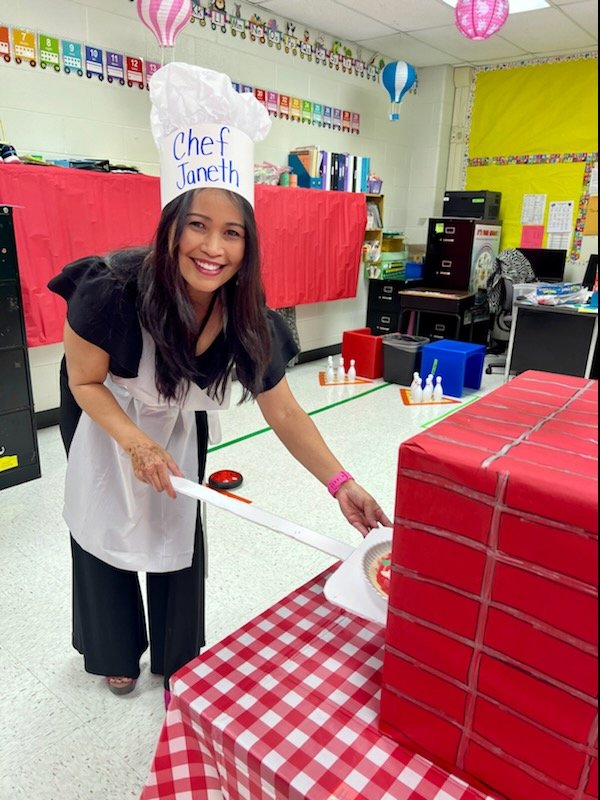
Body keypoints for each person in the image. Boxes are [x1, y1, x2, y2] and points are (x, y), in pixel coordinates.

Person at [48, 63, 391, 707]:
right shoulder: (111, 290)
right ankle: (114, 649)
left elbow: (285, 413)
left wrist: (342, 485)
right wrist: (131, 443)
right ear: (171, 227)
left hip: (175, 416)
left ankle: (179, 653)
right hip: (105, 409)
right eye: (198, 225)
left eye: (232, 232)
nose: (213, 248)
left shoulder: (246, 317)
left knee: (179, 517)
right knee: (104, 514)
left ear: (248, 244)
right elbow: (83, 381)